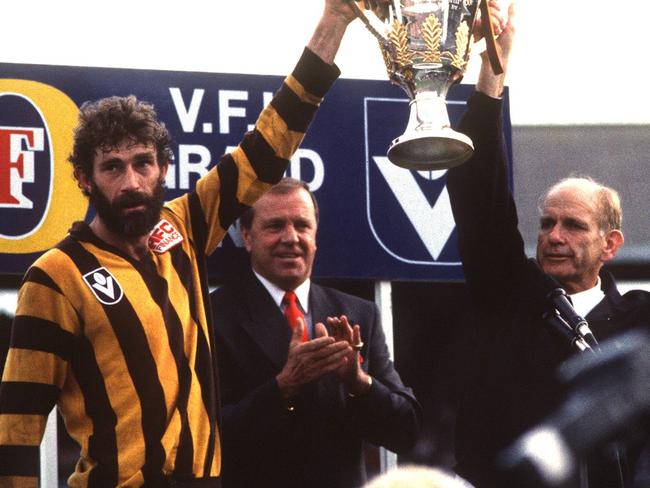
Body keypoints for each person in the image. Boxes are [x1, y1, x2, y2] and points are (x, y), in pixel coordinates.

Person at [0, 2, 358, 486]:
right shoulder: (55, 276)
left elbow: (270, 145)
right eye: (112, 167)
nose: (130, 181)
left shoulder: (184, 226)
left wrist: (333, 21)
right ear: (84, 179)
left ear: (163, 169)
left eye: (143, 163)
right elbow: (18, 421)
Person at [446, 3, 650, 487]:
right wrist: (493, 67)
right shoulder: (512, 298)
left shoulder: (641, 323)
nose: (555, 236)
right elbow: (479, 196)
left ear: (611, 244)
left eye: (574, 226)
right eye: (547, 223)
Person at [210, 177, 421, 488]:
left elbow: (407, 432)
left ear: (316, 235)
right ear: (247, 236)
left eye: (302, 225)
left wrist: (358, 382)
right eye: (275, 226)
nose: (291, 237)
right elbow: (206, 438)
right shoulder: (212, 315)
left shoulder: (360, 314)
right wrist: (284, 386)